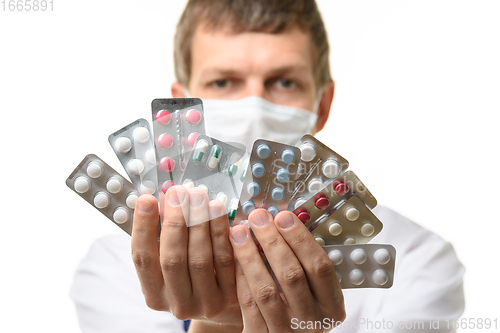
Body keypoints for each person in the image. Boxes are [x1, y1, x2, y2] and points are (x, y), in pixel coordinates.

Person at [70, 0, 465, 332]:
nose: (254, 106)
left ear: (322, 105)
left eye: (284, 82)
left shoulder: (419, 259)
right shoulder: (114, 267)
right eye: (224, 82)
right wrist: (215, 325)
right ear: (183, 104)